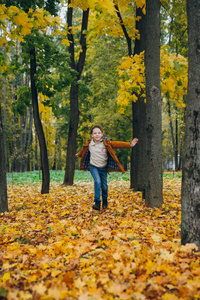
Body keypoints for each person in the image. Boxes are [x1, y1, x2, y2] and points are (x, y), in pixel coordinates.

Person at [75, 125, 138, 211]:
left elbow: (117, 144)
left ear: (101, 134)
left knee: (104, 186)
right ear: (92, 135)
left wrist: (130, 144)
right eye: (95, 133)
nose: (97, 134)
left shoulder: (106, 142)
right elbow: (83, 150)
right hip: (93, 166)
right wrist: (79, 154)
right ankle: (97, 203)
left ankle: (105, 200)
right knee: (97, 182)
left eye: (99, 133)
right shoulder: (89, 144)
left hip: (103, 167)